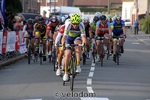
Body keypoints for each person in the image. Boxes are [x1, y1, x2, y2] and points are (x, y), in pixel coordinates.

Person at [61, 13, 86, 81]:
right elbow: (64, 37)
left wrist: (84, 44)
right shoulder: (68, 25)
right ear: (71, 22)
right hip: (69, 38)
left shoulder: (81, 25)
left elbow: (83, 37)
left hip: (77, 38)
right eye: (74, 23)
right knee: (68, 54)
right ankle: (66, 72)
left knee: (78, 45)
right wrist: (63, 44)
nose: (75, 25)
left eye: (77, 23)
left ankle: (78, 65)